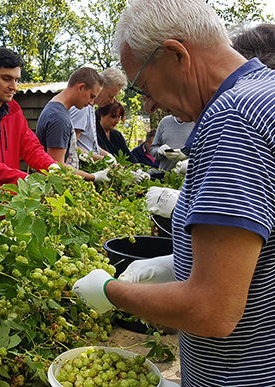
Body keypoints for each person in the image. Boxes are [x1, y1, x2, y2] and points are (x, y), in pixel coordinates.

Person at [72, 0, 275, 385]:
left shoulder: (234, 121)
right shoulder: (265, 95)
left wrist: (110, 292)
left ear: (176, 54)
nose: (147, 103)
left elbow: (212, 310)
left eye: (145, 87)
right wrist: (180, 264)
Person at [0, 47, 109, 199]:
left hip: (11, 203)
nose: (13, 87)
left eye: (16, 79)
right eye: (6, 79)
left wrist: (52, 167)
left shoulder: (13, 110)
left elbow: (31, 149)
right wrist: (25, 179)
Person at [35, 67, 109, 181]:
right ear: (81, 87)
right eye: (92, 96)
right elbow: (56, 167)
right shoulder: (59, 117)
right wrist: (93, 177)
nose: (91, 102)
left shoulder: (56, 108)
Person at [70, 68, 127, 161]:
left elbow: (90, 146)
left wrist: (108, 155)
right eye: (110, 96)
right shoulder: (82, 108)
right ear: (101, 87)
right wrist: (101, 159)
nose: (111, 101)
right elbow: (71, 146)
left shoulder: (91, 108)